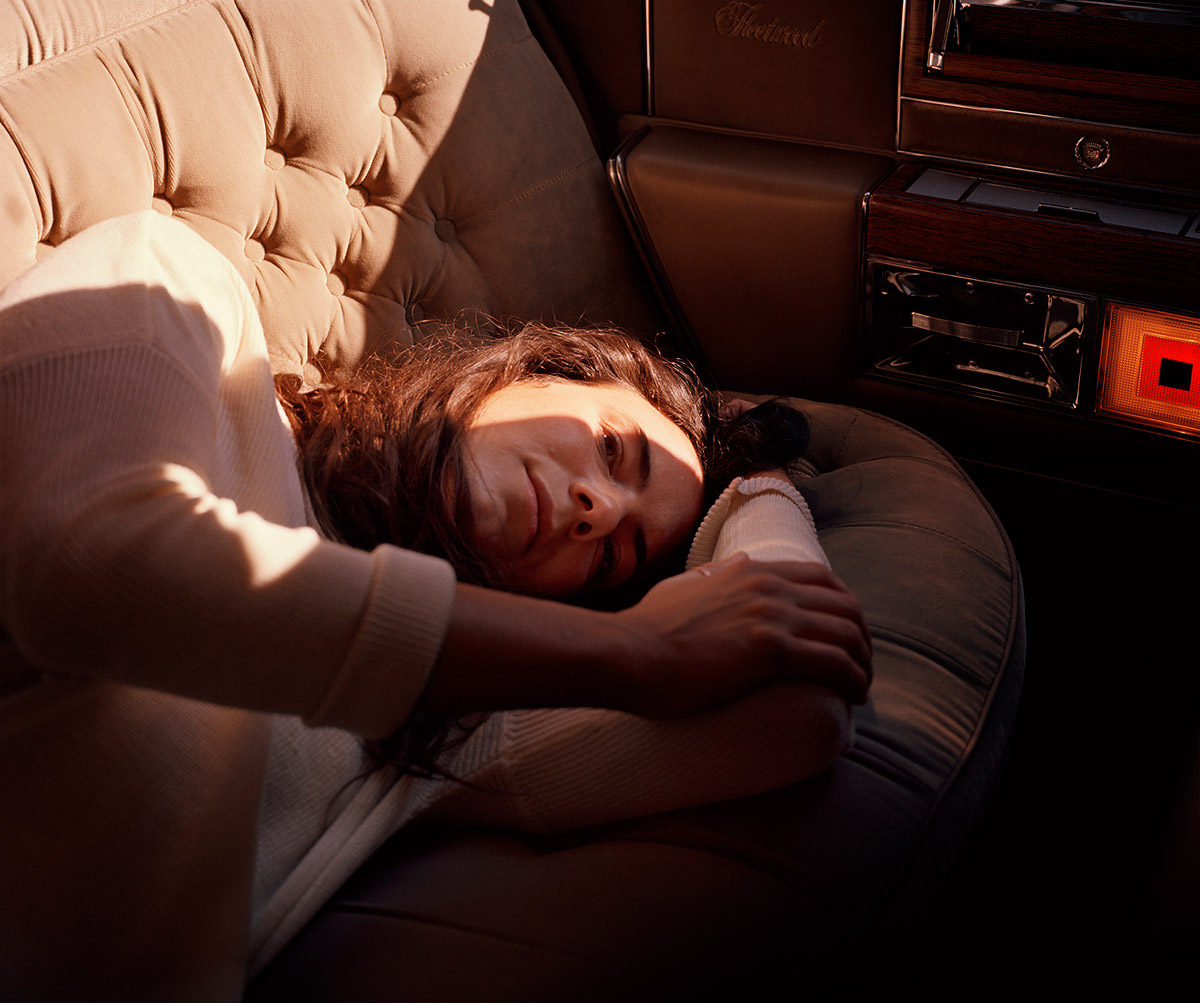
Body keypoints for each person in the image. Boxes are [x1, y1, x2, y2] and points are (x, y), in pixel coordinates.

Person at [0, 211, 870, 1000]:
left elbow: (797, 706)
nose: (598, 509)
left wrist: (755, 481)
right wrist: (639, 652)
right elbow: (86, 562)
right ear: (531, 370)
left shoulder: (442, 729)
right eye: (613, 448)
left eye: (614, 556)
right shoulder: (180, 290)